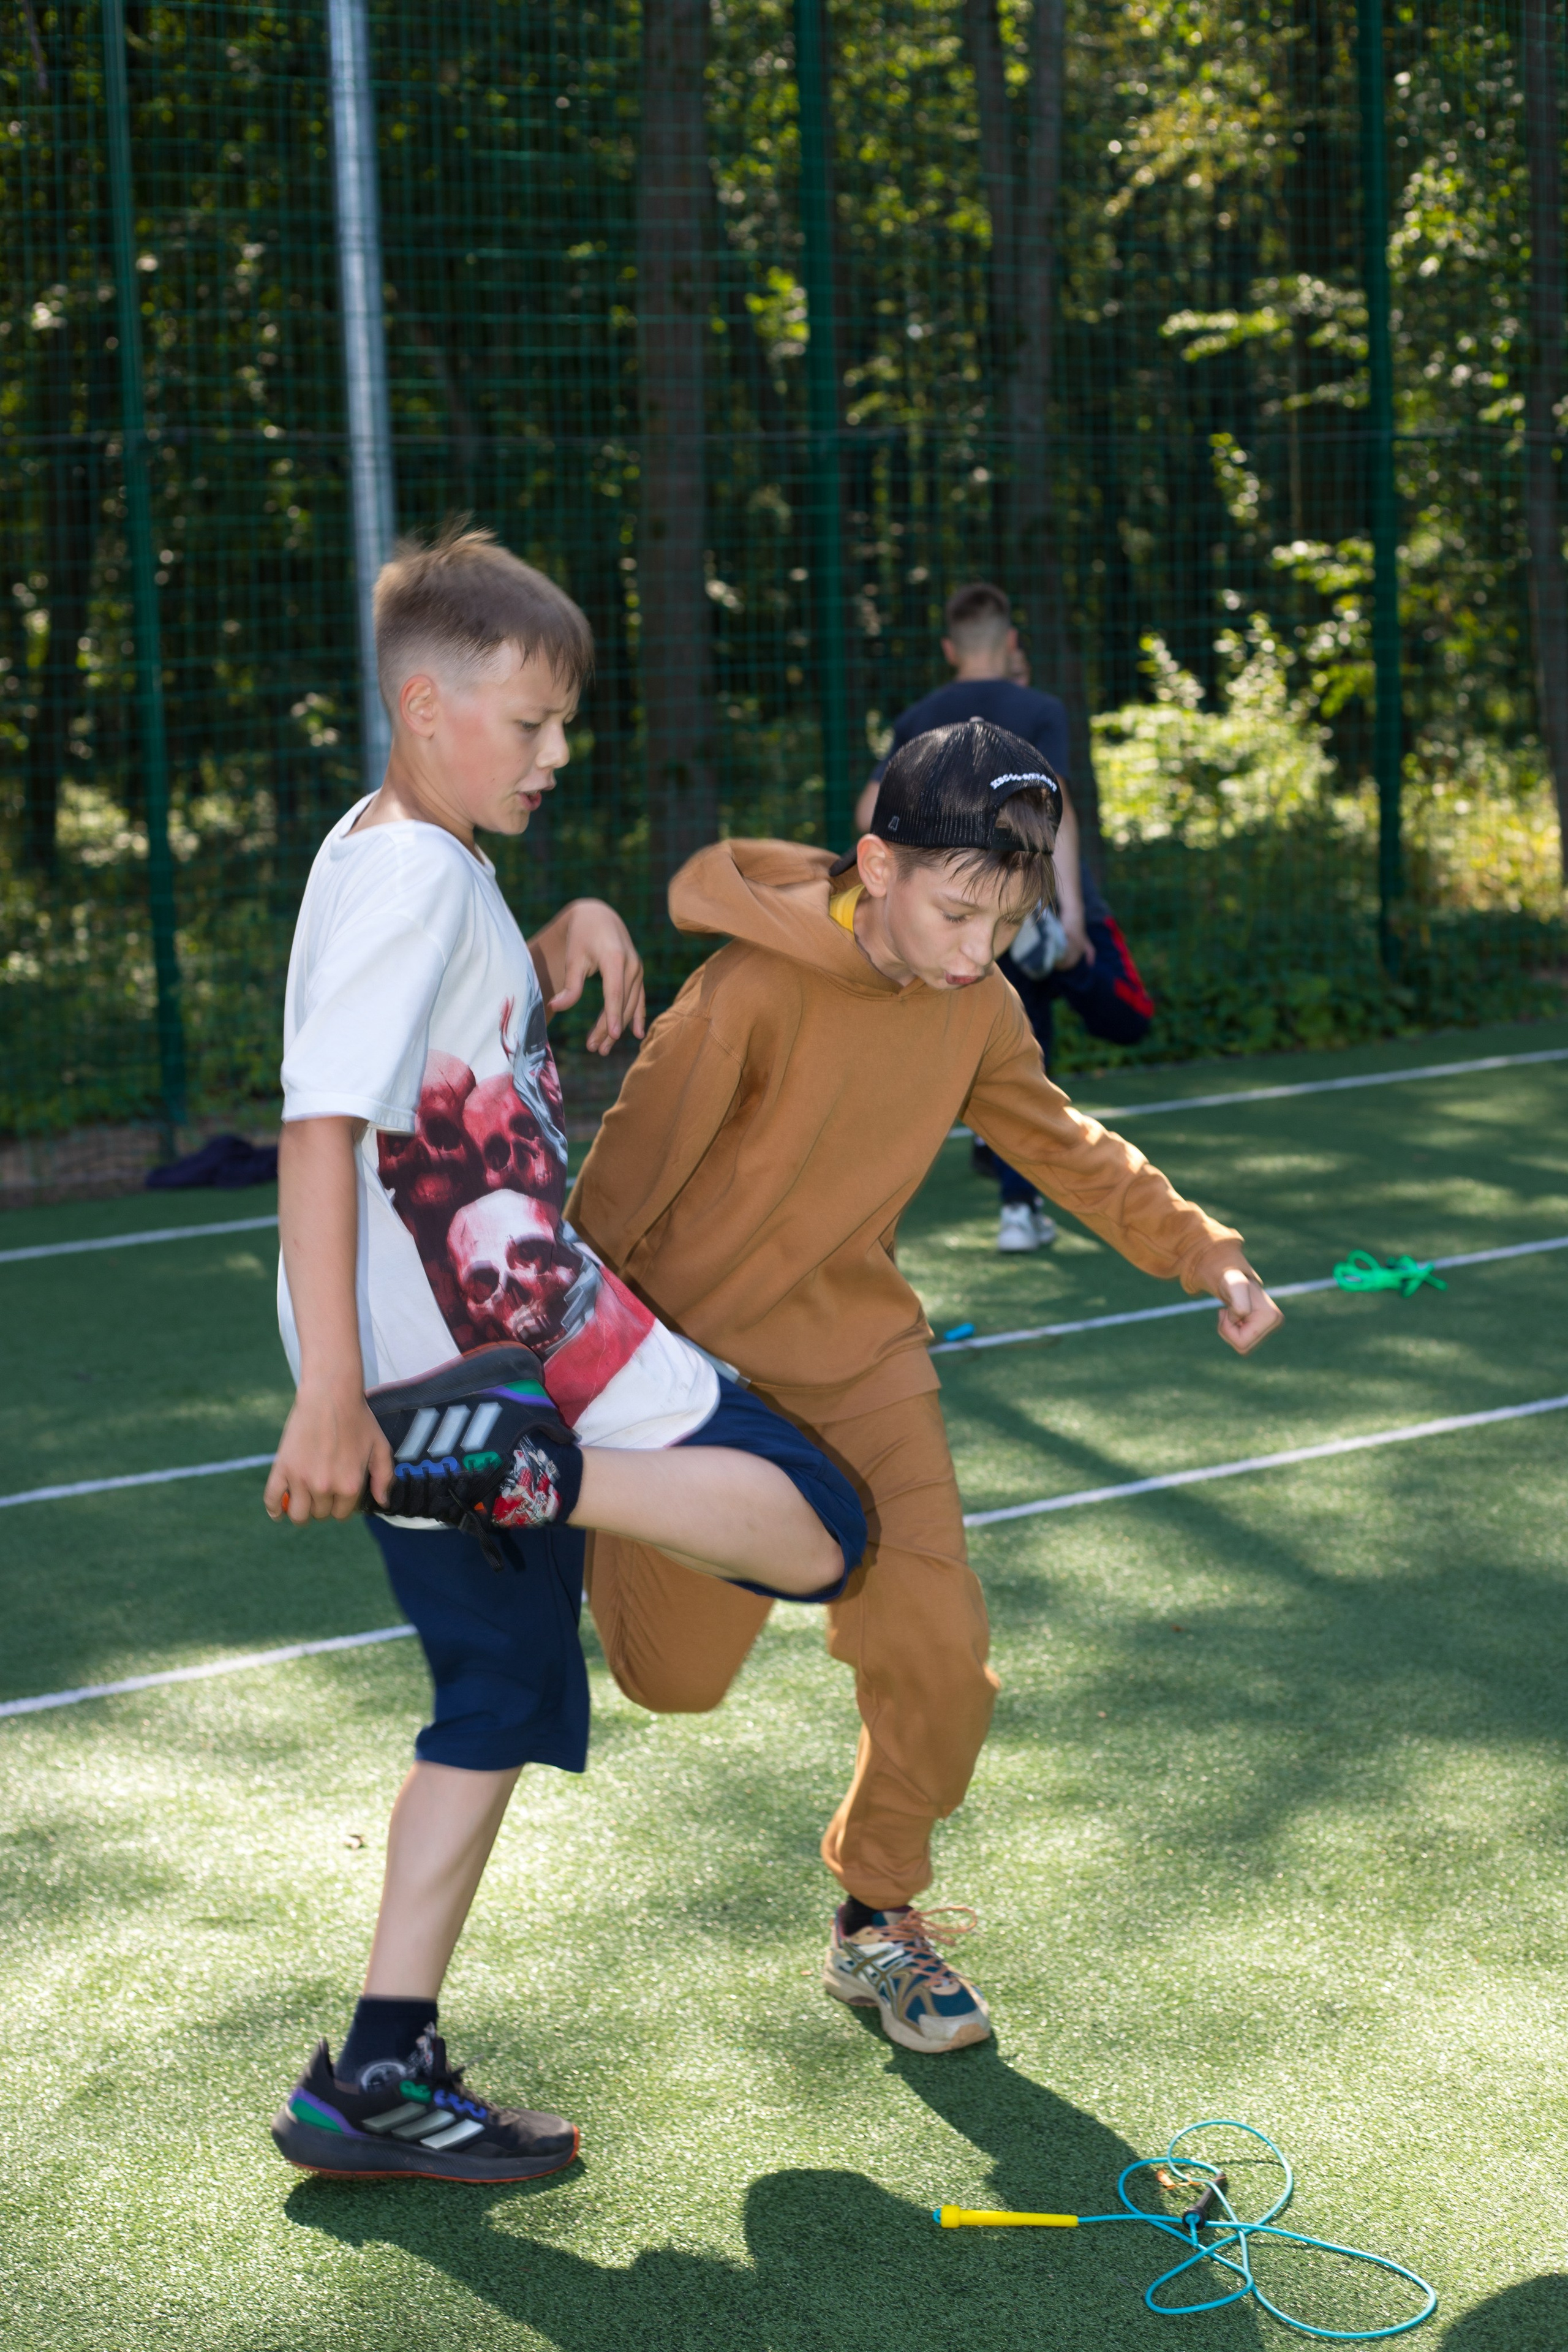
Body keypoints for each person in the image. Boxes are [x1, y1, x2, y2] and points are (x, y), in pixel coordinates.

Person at [263, 525, 865, 2185]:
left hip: (447, 1367)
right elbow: (320, 1127)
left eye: (563, 727)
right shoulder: (410, 870)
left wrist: (558, 934)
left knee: (498, 1695)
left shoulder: (390, 853)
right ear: (424, 700)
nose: (553, 752)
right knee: (824, 1517)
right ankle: (545, 1481)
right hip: (495, 1357)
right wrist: (330, 1387)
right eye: (525, 726)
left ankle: (373, 2077)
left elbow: (417, 1068)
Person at [568, 718, 1283, 2062]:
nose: (974, 953)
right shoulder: (741, 997)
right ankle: (599, 1530)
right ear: (873, 863)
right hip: (687, 1380)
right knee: (670, 1684)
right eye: (956, 913)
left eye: (1003, 926)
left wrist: (1199, 1248)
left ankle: (875, 1918)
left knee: (940, 1652)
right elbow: (611, 1198)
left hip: (863, 1363)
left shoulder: (977, 999)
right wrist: (573, 1387)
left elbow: (1058, 1142)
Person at [858, 581, 1154, 1253]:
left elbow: (868, 815)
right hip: (1024, 912)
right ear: (1011, 642)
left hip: (984, 919)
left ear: (948, 648)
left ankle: (1013, 1187)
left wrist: (933, 894)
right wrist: (1068, 909)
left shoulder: (921, 715)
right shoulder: (1040, 707)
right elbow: (1059, 810)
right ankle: (1018, 1204)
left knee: (1033, 1046)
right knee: (1028, 1051)